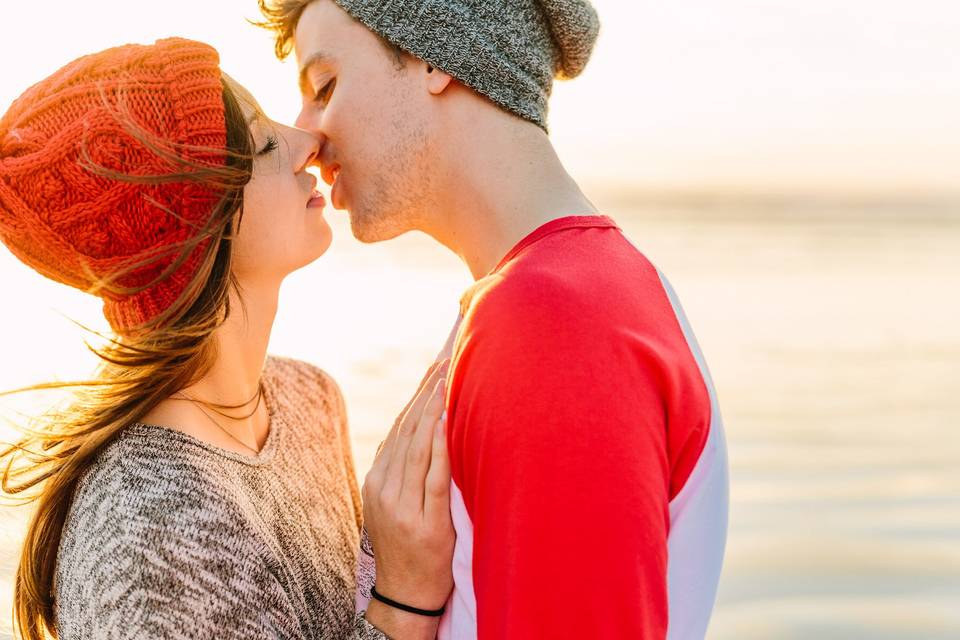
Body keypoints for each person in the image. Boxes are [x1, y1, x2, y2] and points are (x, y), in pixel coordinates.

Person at [256, 0, 730, 638]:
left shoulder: (554, 319)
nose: (307, 137)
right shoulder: (571, 289)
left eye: (325, 87)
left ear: (433, 53)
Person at [0, 38, 455, 640]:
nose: (308, 143)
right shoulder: (144, 537)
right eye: (265, 143)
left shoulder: (308, 399)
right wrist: (404, 600)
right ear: (193, 226)